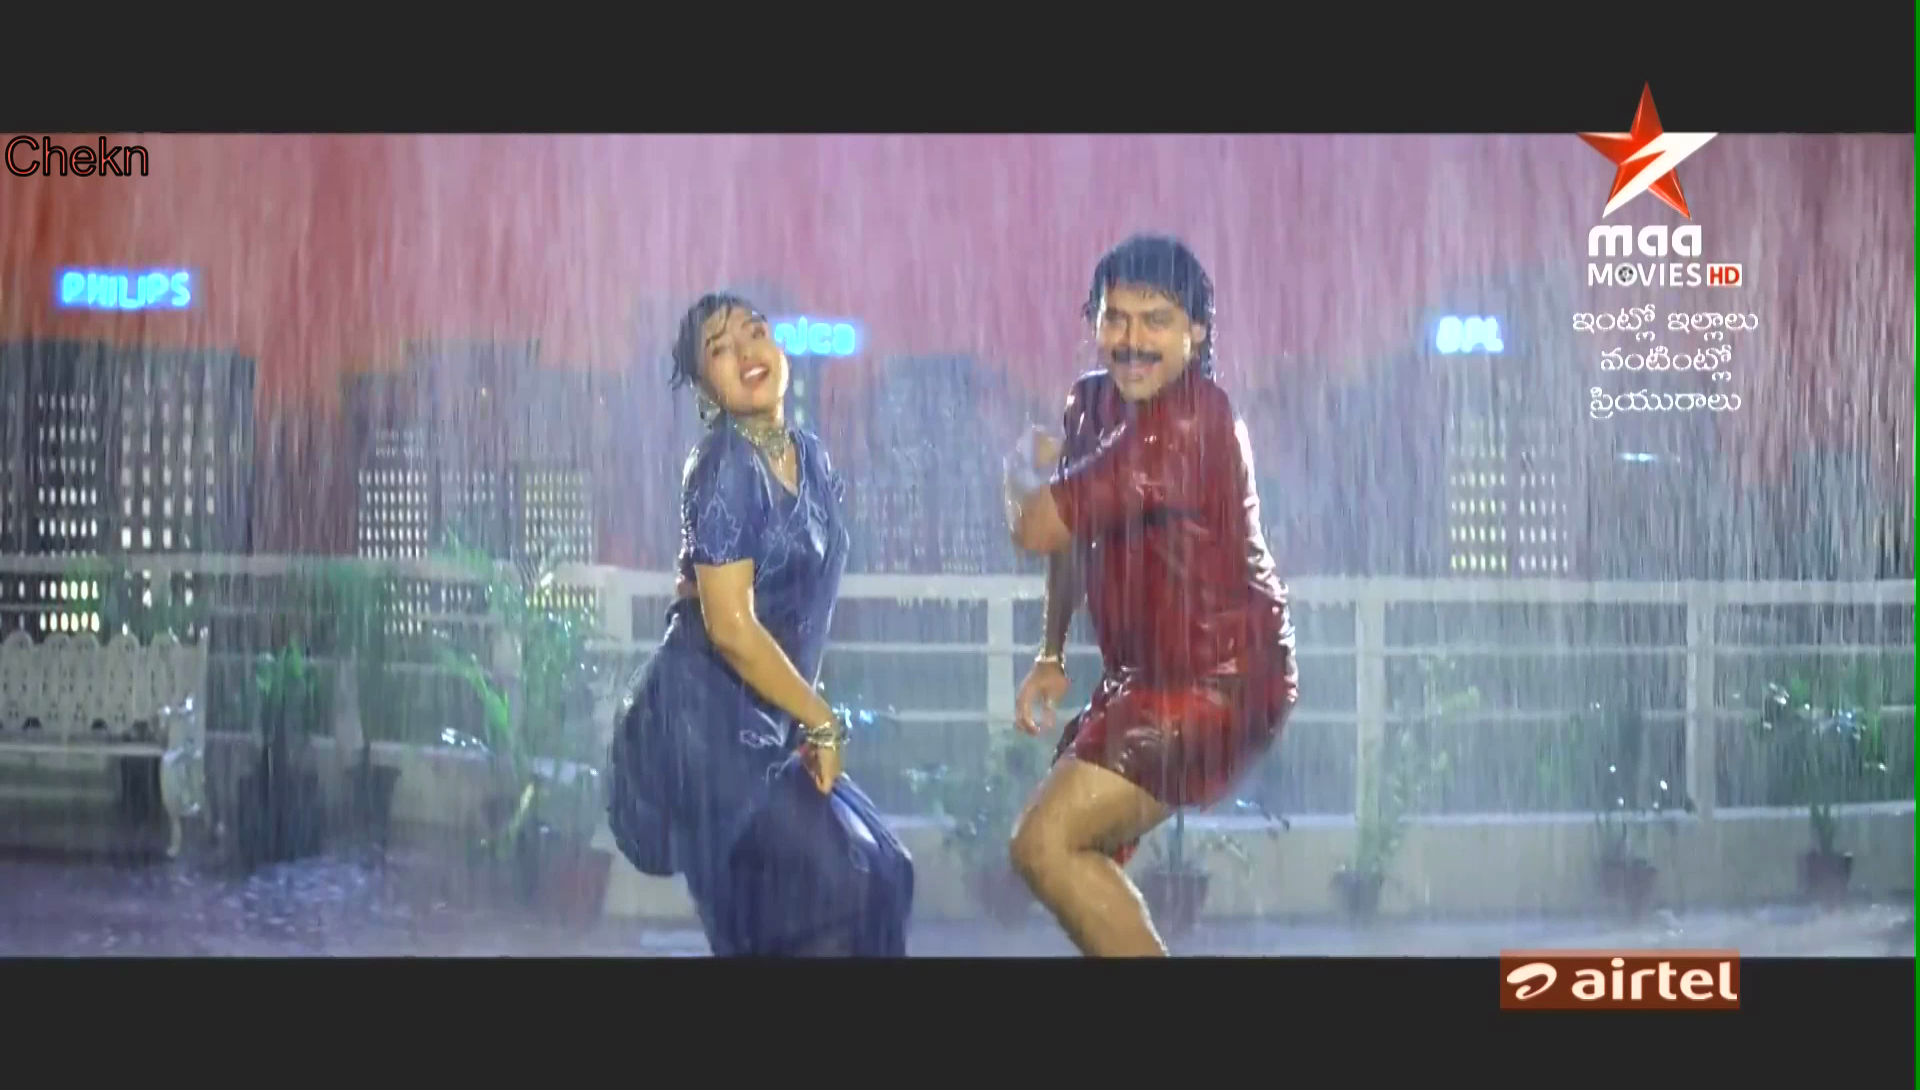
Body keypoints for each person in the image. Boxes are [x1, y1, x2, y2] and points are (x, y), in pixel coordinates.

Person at [1001, 235, 1297, 957]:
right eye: (1115, 318)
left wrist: (1019, 464)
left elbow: (1038, 524)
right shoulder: (1091, 402)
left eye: (1156, 320)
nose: (1131, 341)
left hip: (1222, 679)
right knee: (1069, 846)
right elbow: (1072, 536)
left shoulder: (1191, 422)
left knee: (1048, 843)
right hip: (1144, 676)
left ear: (1197, 331)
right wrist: (1051, 652)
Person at [607, 292, 914, 957]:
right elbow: (732, 627)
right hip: (699, 732)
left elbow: (806, 612)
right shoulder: (722, 464)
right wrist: (819, 718)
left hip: (766, 727)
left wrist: (801, 718)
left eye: (754, 332)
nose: (746, 352)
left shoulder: (812, 456)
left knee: (887, 873)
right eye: (720, 349)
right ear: (704, 390)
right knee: (832, 894)